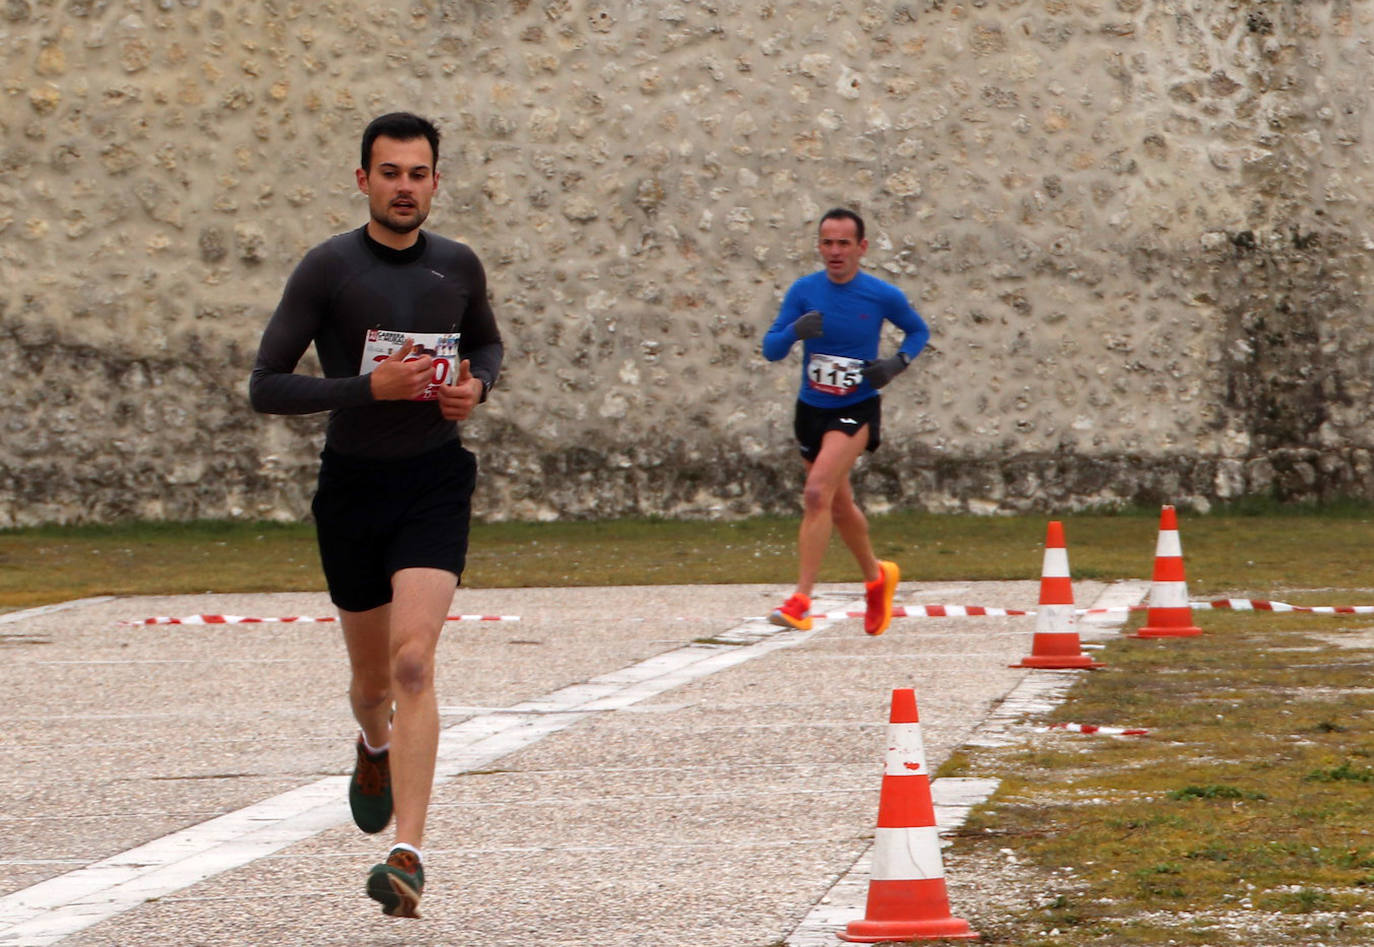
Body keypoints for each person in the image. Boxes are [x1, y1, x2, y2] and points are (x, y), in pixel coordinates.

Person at [248, 112, 503, 918]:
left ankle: (409, 854)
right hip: (352, 489)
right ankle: (372, 744)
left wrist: (477, 388)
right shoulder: (329, 270)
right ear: (363, 180)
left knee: (415, 662)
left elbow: (488, 346)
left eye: (418, 173)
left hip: (434, 481)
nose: (404, 186)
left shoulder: (458, 266)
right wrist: (367, 389)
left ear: (436, 181)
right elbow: (266, 384)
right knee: (370, 684)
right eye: (389, 172)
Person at [762, 207, 930, 636]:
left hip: (855, 408)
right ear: (819, 246)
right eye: (827, 243)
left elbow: (918, 332)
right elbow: (771, 350)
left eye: (843, 243)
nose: (835, 252)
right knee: (837, 505)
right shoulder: (804, 291)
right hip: (811, 410)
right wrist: (796, 330)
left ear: (861, 248)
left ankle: (801, 600)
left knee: (817, 492)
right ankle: (877, 578)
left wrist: (895, 364)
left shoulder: (880, 295)